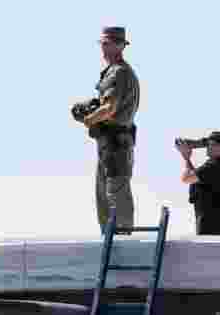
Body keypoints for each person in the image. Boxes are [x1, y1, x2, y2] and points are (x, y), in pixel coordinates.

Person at [80, 26, 141, 234]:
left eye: (108, 43)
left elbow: (110, 108)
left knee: (115, 194)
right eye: (103, 43)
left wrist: (89, 119)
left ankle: (122, 240)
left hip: (116, 143)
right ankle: (111, 240)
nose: (104, 48)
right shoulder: (115, 71)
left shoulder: (119, 72)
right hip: (110, 143)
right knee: (105, 195)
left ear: (120, 46)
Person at [177, 131, 220, 235]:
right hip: (219, 223)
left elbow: (186, 178)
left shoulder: (214, 166)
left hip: (208, 224)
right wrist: (187, 159)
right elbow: (196, 177)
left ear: (219, 147)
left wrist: (186, 157)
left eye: (210, 144)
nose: (207, 147)